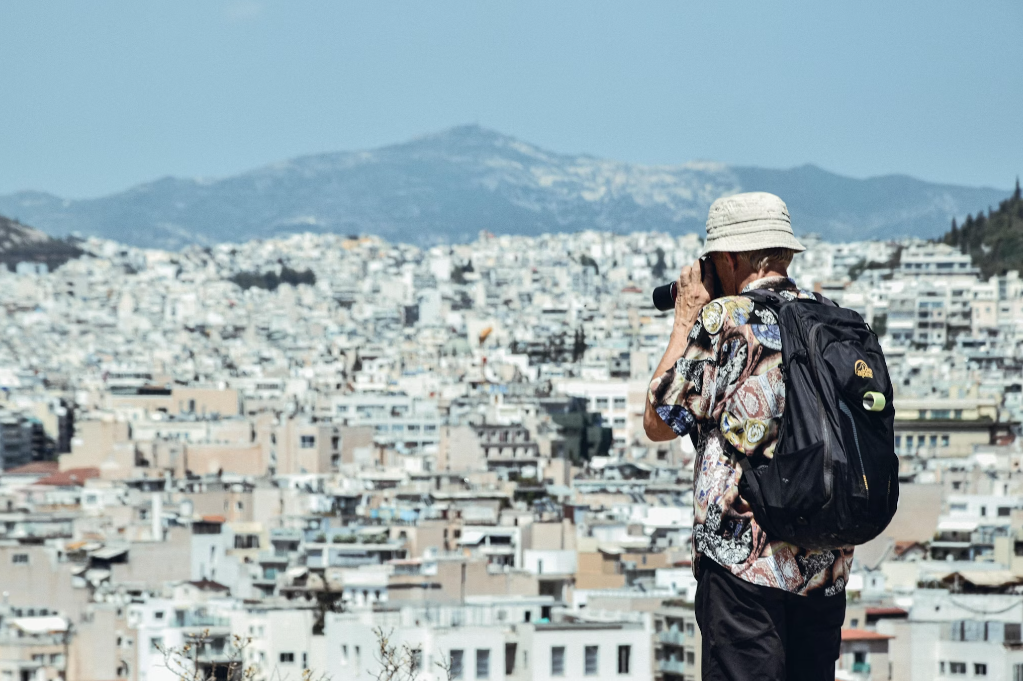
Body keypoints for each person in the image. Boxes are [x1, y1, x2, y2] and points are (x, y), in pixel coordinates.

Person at [644, 192, 853, 681]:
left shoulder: (727, 321)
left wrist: (687, 318)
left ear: (729, 259)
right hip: (824, 562)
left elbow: (657, 420)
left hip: (744, 565)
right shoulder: (831, 319)